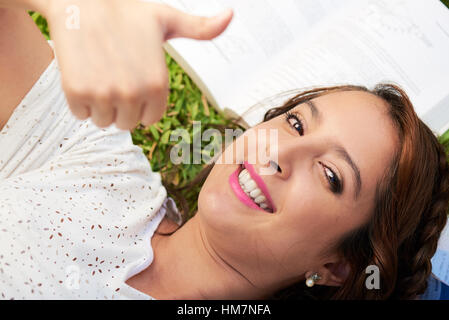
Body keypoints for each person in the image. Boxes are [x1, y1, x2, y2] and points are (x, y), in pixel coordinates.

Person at [1, 2, 449, 300]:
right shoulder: (99, 159)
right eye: (295, 124)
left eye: (331, 174)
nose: (277, 154)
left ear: (337, 267)